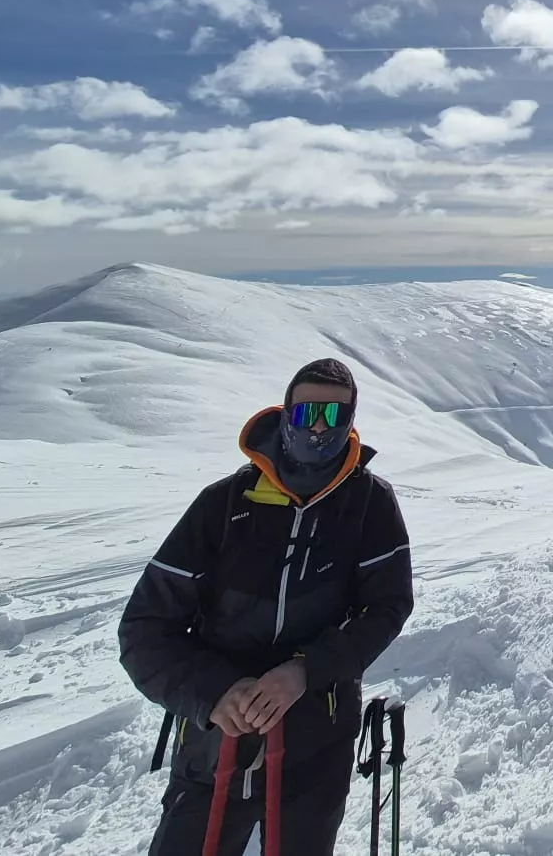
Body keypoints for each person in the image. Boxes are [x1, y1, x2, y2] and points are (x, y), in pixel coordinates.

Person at [120, 358, 413, 856]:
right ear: (286, 412)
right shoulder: (224, 504)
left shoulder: (369, 503)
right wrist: (215, 693)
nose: (319, 429)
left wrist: (305, 671)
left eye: (334, 417)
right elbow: (145, 629)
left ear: (351, 421)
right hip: (214, 741)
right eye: (307, 414)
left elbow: (387, 608)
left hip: (317, 732)